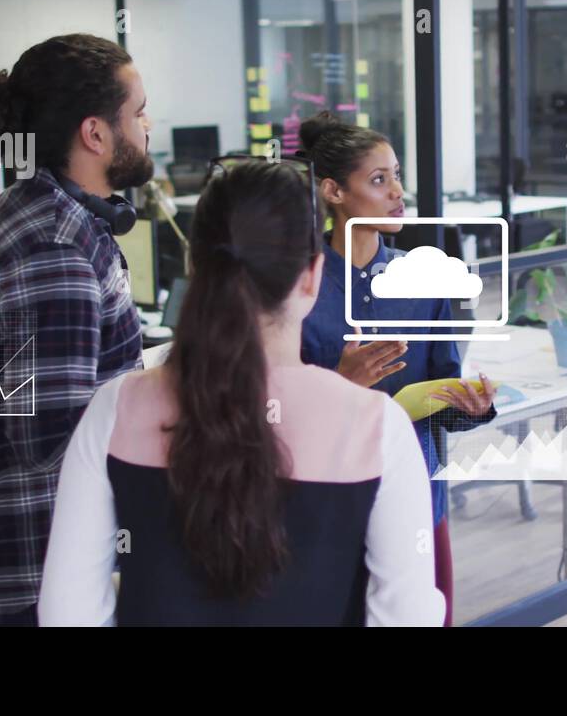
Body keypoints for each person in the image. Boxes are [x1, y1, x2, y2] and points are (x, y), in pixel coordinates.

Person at [38, 158, 444, 626]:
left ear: (195, 265)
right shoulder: (377, 427)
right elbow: (409, 616)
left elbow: (67, 613)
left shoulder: (116, 409)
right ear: (312, 275)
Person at [0, 34, 153, 626]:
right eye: (136, 113)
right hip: (41, 567)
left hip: (42, 554)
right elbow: (50, 437)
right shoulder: (53, 247)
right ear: (95, 133)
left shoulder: (46, 212)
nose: (147, 125)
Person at [297, 111, 496, 627]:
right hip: (322, 502)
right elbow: (267, 412)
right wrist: (338, 385)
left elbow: (442, 396)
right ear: (334, 192)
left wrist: (472, 408)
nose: (397, 193)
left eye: (397, 176)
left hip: (415, 496)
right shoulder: (294, 285)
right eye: (379, 180)